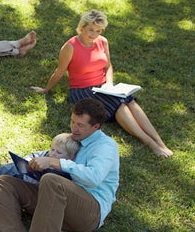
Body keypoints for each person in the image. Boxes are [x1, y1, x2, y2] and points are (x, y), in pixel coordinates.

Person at [0, 98, 119, 232]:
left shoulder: (106, 147)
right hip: (58, 204)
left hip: (90, 212)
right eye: (73, 121)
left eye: (81, 125)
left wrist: (54, 163)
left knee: (52, 180)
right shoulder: (74, 139)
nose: (74, 128)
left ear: (95, 127)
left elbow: (93, 178)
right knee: (3, 182)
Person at [31, 9, 172, 157]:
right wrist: (46, 89)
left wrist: (109, 84)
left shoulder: (103, 42)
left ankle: (159, 142)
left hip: (104, 87)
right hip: (82, 90)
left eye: (98, 31)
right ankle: (150, 144)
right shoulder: (70, 46)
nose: (94, 34)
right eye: (90, 30)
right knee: (120, 105)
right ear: (82, 27)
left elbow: (108, 66)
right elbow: (60, 71)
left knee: (131, 102)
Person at [0, 133, 81, 198]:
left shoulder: (66, 168)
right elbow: (32, 156)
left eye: (58, 152)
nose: (53, 153)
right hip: (22, 170)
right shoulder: (46, 155)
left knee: (5, 186)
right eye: (52, 149)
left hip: (29, 185)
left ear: (69, 157)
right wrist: (27, 162)